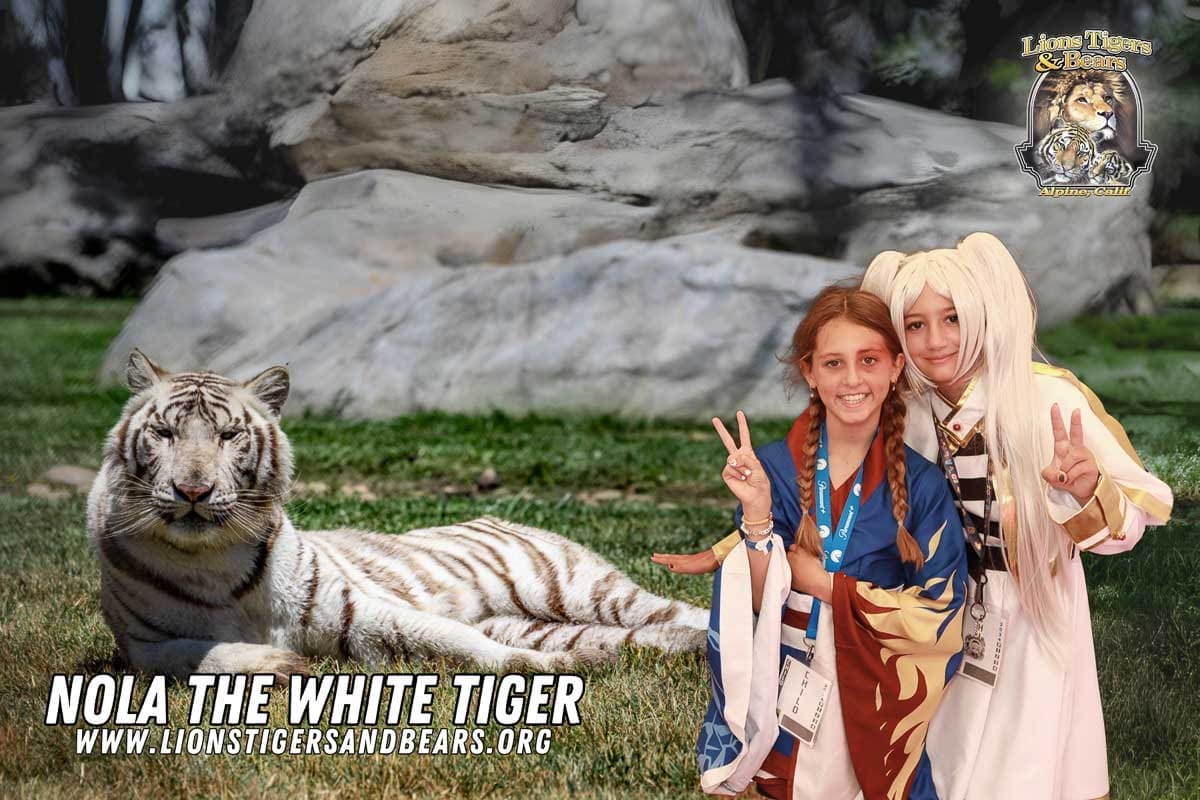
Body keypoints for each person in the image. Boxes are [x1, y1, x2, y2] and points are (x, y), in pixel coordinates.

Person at [657, 233, 1175, 800]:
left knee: (1027, 762)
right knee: (940, 760)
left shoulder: (1050, 400)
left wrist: (1086, 489)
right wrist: (743, 536)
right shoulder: (909, 409)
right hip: (936, 615)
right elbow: (832, 491)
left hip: (1033, 618)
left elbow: (1133, 521)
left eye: (951, 319)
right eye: (916, 324)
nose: (936, 340)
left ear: (980, 315)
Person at [685, 285, 967, 800]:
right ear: (810, 372)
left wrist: (830, 587)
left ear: (895, 367)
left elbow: (942, 614)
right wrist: (756, 514)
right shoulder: (774, 468)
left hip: (876, 692)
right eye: (834, 363)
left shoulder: (922, 484)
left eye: (869, 360)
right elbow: (756, 602)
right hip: (790, 684)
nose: (853, 379)